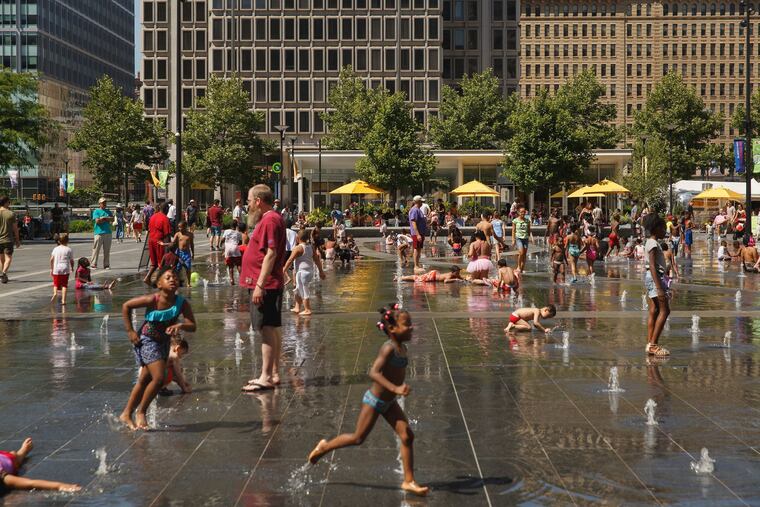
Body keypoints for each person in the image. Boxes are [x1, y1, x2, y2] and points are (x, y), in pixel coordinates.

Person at [307, 304, 429, 497]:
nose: (412, 327)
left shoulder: (402, 347)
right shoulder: (388, 348)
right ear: (392, 329)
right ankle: (325, 447)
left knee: (407, 436)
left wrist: (395, 392)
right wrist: (396, 388)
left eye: (411, 323)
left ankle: (409, 481)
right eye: (407, 324)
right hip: (375, 401)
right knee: (357, 438)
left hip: (389, 403)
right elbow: (373, 372)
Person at [119, 267, 196, 430]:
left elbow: (193, 326)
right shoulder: (152, 299)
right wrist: (130, 331)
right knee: (159, 378)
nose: (172, 279)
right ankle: (141, 412)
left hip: (163, 343)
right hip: (146, 341)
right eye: (167, 277)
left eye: (175, 277)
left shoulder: (182, 303)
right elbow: (126, 306)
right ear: (159, 284)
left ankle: (126, 413)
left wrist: (180, 325)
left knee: (145, 379)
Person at [240, 184, 286, 393]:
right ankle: (273, 373)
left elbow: (271, 253)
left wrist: (259, 285)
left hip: (264, 284)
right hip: (267, 282)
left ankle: (266, 376)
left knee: (265, 328)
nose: (248, 205)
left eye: (249, 201)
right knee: (272, 327)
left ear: (258, 201)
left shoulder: (269, 220)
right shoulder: (272, 218)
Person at [0, 438, 81, 492]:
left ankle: (22, 452)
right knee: (13, 455)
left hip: (9, 458)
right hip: (6, 458)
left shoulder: (3, 477)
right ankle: (22, 452)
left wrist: (60, 486)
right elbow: (30, 483)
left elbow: (30, 483)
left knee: (14, 457)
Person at [642, 213, 670, 357]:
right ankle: (653, 345)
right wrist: (659, 287)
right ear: (656, 228)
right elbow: (652, 266)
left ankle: (650, 342)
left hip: (653, 278)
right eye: (663, 228)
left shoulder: (650, 242)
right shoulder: (653, 243)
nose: (664, 231)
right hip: (655, 278)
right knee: (665, 310)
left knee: (654, 310)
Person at [283, 229, 326, 315]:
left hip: (302, 273)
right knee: (298, 289)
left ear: (297, 238)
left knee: (303, 290)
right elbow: (317, 260)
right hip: (309, 272)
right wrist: (321, 272)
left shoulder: (298, 248)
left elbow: (290, 260)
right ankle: (297, 307)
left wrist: (283, 270)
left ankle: (307, 309)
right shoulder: (310, 247)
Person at [144, 202, 172, 285]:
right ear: (166, 209)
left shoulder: (153, 216)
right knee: (162, 263)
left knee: (154, 263)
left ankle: (147, 278)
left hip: (151, 240)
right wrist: (168, 247)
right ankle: (160, 281)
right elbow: (167, 235)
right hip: (159, 242)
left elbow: (149, 229)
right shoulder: (165, 219)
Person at [162, 220, 194, 284]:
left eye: (181, 227)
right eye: (178, 227)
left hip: (187, 254)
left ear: (185, 227)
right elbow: (173, 243)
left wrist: (193, 253)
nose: (179, 229)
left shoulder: (190, 235)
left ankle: (188, 283)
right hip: (179, 253)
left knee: (188, 268)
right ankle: (176, 281)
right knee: (177, 268)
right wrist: (164, 244)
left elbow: (192, 244)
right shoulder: (178, 234)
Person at [0, 195, 19, 284]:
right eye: (9, 202)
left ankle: (3, 276)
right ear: (6, 202)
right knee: (8, 258)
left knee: (1, 259)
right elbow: (15, 229)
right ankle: (3, 273)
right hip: (8, 239)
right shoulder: (11, 214)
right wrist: (17, 240)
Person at [50, 233, 74, 304]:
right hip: (65, 269)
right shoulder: (69, 249)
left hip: (56, 269)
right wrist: (72, 267)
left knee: (56, 284)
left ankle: (55, 293)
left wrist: (51, 268)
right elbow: (71, 261)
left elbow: (51, 259)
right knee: (64, 285)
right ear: (68, 241)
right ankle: (63, 300)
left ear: (59, 241)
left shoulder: (55, 249)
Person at [91, 197, 113, 270]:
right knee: (96, 249)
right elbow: (97, 221)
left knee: (107, 250)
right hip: (99, 232)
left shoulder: (108, 211)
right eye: (103, 202)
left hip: (108, 232)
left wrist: (104, 218)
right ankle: (93, 264)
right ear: (99, 204)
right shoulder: (96, 211)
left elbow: (112, 219)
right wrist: (106, 219)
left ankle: (106, 265)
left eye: (105, 202)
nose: (104, 204)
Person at [408, 195, 428, 273]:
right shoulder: (414, 210)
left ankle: (417, 264)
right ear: (417, 202)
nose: (422, 203)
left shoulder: (418, 210)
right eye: (421, 201)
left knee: (419, 249)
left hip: (420, 233)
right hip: (417, 233)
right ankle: (415, 266)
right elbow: (413, 222)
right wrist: (418, 234)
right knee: (416, 249)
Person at [223, 220, 243, 285]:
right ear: (236, 225)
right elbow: (240, 242)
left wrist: (220, 244)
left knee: (230, 266)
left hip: (228, 250)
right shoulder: (238, 233)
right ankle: (242, 279)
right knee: (238, 264)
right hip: (235, 248)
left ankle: (232, 280)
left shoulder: (226, 231)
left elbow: (223, 239)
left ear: (230, 225)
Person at [511, 206, 531, 273]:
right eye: (522, 212)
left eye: (524, 212)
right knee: (521, 252)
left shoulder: (527, 221)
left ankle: (522, 267)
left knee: (524, 254)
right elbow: (513, 230)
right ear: (518, 212)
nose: (523, 213)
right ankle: (518, 266)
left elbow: (529, 230)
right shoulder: (515, 221)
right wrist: (513, 239)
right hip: (518, 238)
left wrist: (531, 237)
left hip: (525, 238)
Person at [399, 265, 463, 283]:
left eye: (458, 272)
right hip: (433, 276)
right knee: (417, 278)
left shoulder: (455, 275)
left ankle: (403, 277)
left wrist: (466, 279)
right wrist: (455, 280)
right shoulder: (450, 275)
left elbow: (462, 278)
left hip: (435, 273)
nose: (458, 273)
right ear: (453, 272)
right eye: (457, 272)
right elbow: (445, 281)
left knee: (418, 277)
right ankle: (402, 278)